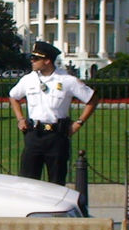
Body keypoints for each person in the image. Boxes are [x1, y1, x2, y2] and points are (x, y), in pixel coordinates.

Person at [8, 41, 100, 185]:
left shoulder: (67, 80)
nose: (32, 61)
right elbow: (13, 96)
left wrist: (78, 123)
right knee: (27, 182)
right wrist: (20, 119)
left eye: (36, 58)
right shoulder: (29, 79)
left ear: (47, 61)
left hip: (57, 137)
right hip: (34, 135)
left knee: (56, 183)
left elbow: (92, 99)